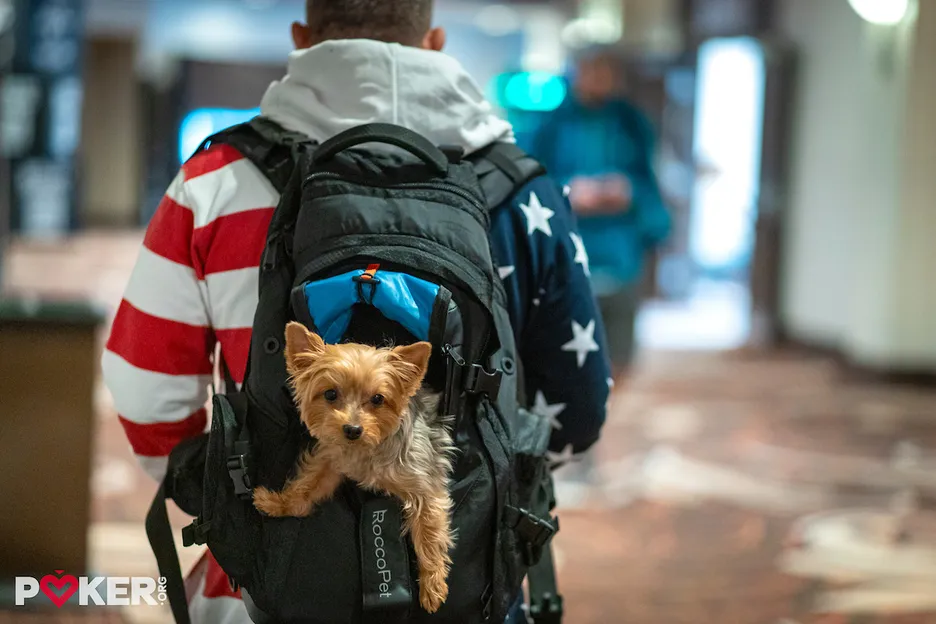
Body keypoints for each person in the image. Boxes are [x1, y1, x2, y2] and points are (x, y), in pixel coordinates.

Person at [102, 1, 611, 622]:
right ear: (435, 40)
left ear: (301, 38)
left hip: (258, 590)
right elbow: (577, 412)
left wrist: (231, 494)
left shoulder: (214, 180)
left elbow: (145, 387)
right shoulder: (524, 192)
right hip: (468, 587)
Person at [532, 49, 671, 383]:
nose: (598, 80)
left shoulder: (632, 123)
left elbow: (650, 184)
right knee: (564, 350)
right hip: (568, 252)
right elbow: (531, 181)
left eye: (605, 72)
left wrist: (627, 191)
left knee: (620, 351)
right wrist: (569, 191)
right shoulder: (550, 126)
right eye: (590, 71)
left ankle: (610, 411)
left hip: (620, 253)